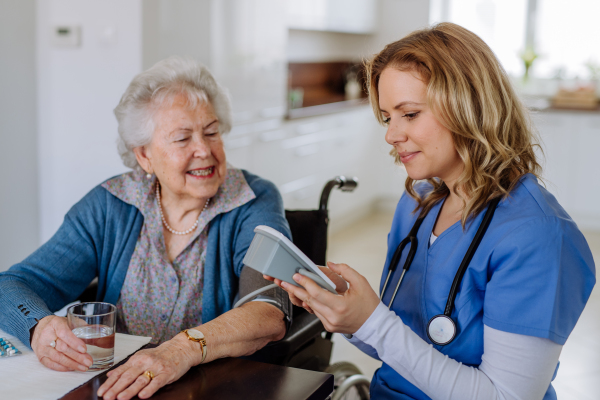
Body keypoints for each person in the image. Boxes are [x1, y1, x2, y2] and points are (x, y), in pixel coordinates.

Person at [267, 23, 596, 399]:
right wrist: (348, 311)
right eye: (388, 117)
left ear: (468, 106)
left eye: (409, 114)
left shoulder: (538, 237)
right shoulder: (418, 205)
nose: (391, 135)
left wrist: (373, 323)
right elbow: (400, 349)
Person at [0, 57, 291, 400]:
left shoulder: (253, 200)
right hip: (119, 386)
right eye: (182, 138)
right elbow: (12, 284)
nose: (204, 150)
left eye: (212, 132)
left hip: (214, 387)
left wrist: (181, 350)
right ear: (144, 156)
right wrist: (39, 326)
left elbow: (268, 311)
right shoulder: (111, 205)